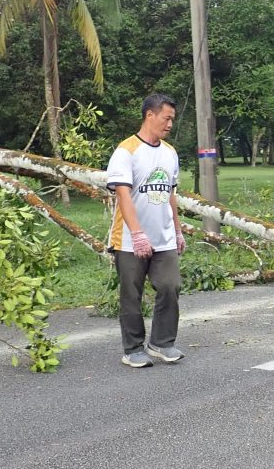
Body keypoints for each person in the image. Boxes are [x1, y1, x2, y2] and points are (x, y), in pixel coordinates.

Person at [105, 94, 186, 368]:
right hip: (129, 240)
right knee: (132, 294)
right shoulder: (125, 151)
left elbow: (171, 194)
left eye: (172, 119)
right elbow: (123, 196)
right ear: (150, 115)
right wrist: (137, 234)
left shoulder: (170, 153)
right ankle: (133, 348)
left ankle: (162, 342)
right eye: (167, 118)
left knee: (170, 285)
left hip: (163, 237)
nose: (170, 124)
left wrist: (177, 230)